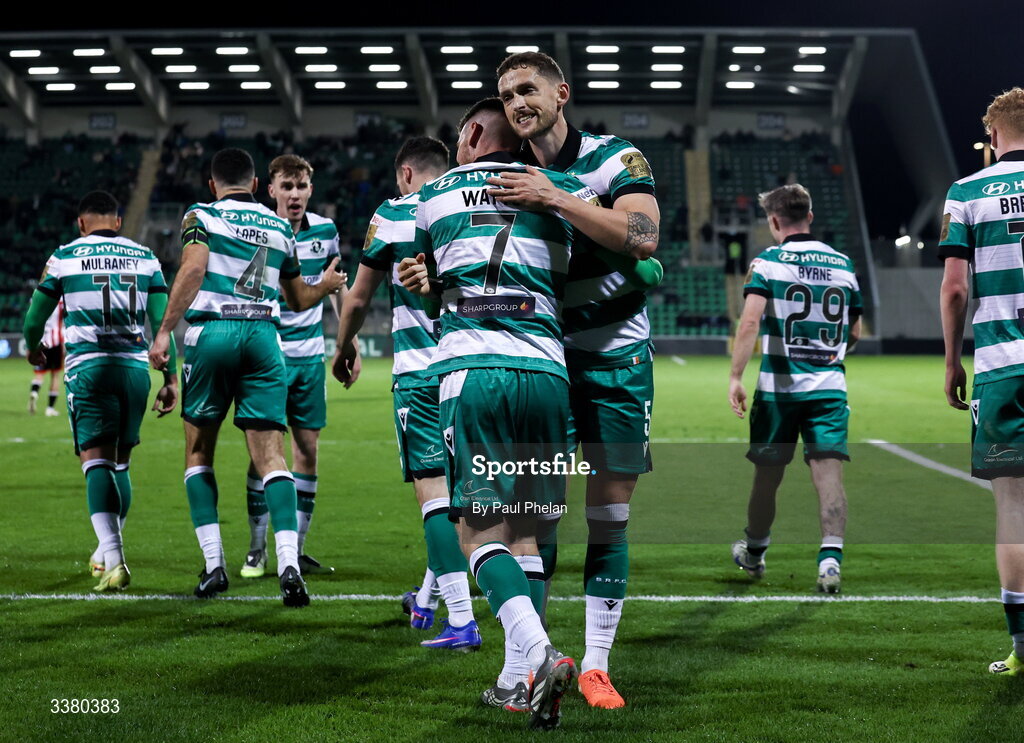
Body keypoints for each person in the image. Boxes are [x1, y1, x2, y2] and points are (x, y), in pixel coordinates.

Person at [398, 98, 626, 729]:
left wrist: (431, 281)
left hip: (474, 372)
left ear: (471, 133)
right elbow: (614, 259)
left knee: (475, 529)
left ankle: (542, 653)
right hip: (551, 377)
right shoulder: (562, 190)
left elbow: (434, 276)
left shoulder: (435, 194)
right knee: (526, 530)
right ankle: (517, 676)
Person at [486, 50, 660, 709]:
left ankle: (594, 664)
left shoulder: (619, 158)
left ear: (562, 92)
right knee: (534, 516)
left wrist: (556, 197)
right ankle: (532, 662)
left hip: (617, 362)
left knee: (609, 515)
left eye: (527, 88)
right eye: (506, 96)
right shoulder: (505, 175)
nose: (517, 102)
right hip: (545, 364)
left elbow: (644, 233)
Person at [148, 148, 345, 607]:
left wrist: (162, 333)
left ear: (213, 184)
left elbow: (194, 268)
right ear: (258, 186)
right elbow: (298, 298)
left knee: (199, 451)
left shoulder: (202, 214)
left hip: (212, 333)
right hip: (264, 337)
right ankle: (290, 565)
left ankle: (215, 564)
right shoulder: (277, 226)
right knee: (273, 458)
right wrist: (328, 287)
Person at [332, 136, 481, 650]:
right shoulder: (472, 202)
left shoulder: (394, 213)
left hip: (421, 373)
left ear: (406, 174)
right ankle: (426, 601)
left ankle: (461, 619)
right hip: (477, 368)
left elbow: (358, 297)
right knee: (464, 497)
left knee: (434, 499)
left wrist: (344, 345)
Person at [22, 190, 178, 591]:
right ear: (118, 222)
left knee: (95, 463)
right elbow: (162, 326)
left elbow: (34, 318)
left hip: (89, 368)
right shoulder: (146, 257)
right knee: (120, 464)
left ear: (81, 223)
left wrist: (34, 348)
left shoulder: (65, 256)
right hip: (133, 371)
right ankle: (103, 551)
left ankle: (117, 559)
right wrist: (171, 379)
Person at [728, 184, 862, 594]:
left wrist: (735, 376)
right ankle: (829, 562)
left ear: (774, 221)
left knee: (767, 478)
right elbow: (853, 331)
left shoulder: (768, 262)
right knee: (829, 475)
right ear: (810, 216)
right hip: (828, 388)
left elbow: (750, 322)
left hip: (779, 391)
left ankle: (754, 552)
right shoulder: (843, 264)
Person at [939, 87, 1024, 676]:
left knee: (1013, 506)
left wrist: (950, 360)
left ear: (992, 137)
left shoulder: (968, 191)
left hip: (1003, 365)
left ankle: (1023, 647)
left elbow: (954, 288)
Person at [239, 154, 351, 580]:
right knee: (263, 455)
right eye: (286, 186)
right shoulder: (259, 231)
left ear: (310, 190)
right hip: (267, 354)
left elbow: (336, 283)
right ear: (271, 190)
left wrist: (348, 339)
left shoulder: (325, 230)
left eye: (301, 186)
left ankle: (296, 550)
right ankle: (256, 548)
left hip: (309, 358)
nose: (295, 195)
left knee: (307, 450)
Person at [28, 299, 64, 416]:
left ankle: (34, 392)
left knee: (39, 374)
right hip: (56, 341)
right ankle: (50, 409)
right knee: (55, 375)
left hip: (41, 341)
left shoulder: (36, 299)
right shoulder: (60, 301)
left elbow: (32, 320)